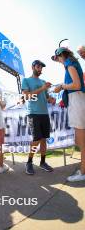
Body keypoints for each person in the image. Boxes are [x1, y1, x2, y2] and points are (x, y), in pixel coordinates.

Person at [52, 47, 85, 182]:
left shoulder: (69, 63)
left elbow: (76, 84)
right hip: (77, 100)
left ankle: (83, 173)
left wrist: (62, 86)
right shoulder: (71, 62)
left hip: (77, 100)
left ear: (62, 56)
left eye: (58, 58)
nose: (59, 61)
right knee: (78, 140)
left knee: (81, 142)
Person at [22, 60, 56, 175]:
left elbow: (46, 98)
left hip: (44, 113)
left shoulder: (43, 81)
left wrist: (51, 99)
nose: (40, 69)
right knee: (36, 139)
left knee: (43, 139)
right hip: (33, 113)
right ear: (33, 67)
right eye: (38, 66)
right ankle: (29, 162)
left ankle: (42, 162)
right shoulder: (26, 80)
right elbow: (26, 96)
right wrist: (42, 88)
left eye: (41, 67)